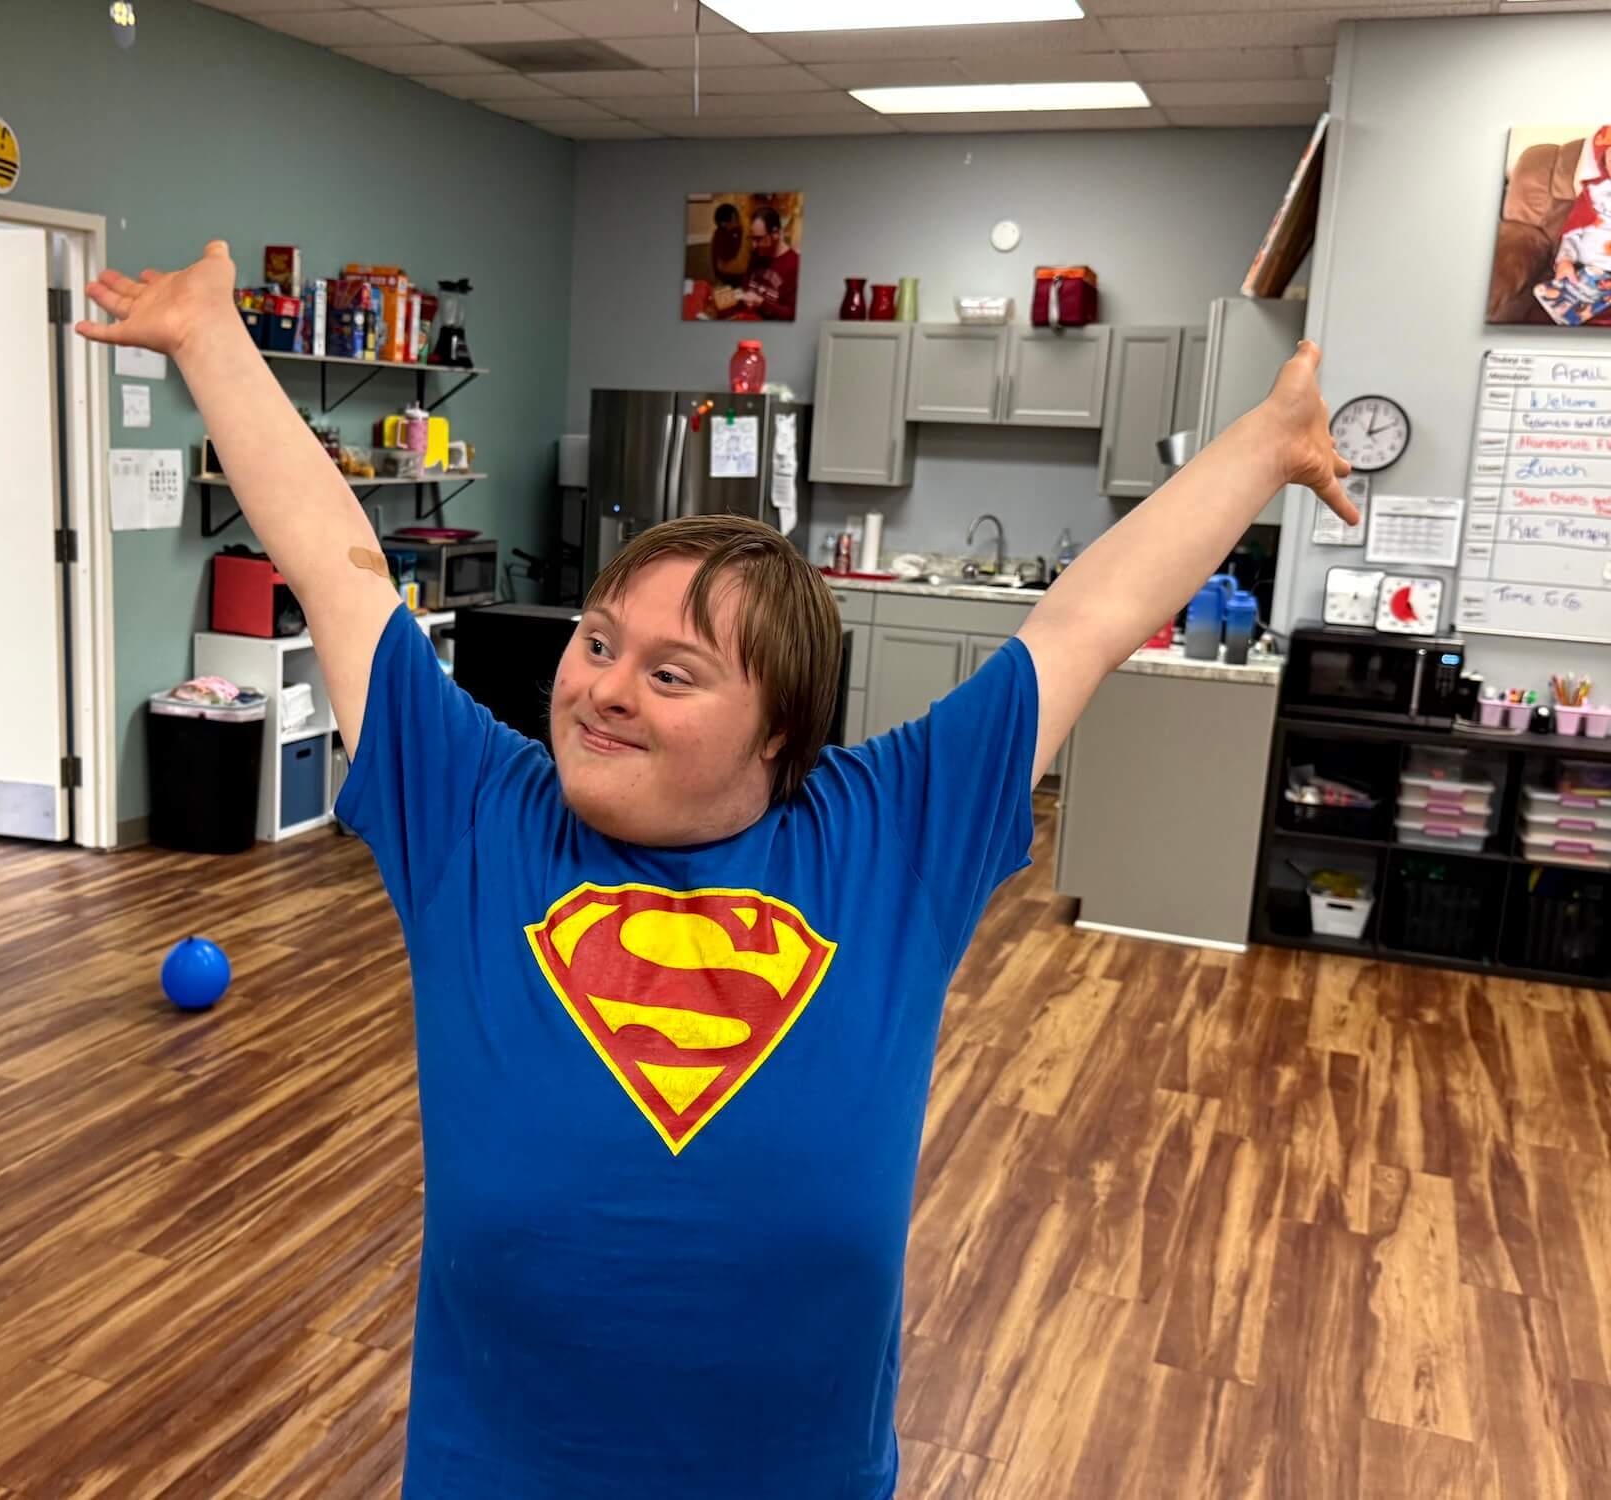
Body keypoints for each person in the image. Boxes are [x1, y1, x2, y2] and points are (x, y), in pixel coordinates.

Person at [78, 242, 1357, 1500]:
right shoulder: (473, 810)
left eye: (671, 672)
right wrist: (209, 339)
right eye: (595, 641)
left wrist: (1261, 443)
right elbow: (335, 566)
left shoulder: (888, 833)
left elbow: (1082, 616)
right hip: (499, 1473)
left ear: (780, 730)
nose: (599, 690)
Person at [1536, 124, 1611, 326]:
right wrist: (1565, 261)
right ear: (1603, 162)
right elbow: (1572, 233)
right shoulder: (1591, 195)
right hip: (1588, 272)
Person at [737, 203, 799, 321]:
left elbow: (790, 314)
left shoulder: (794, 263)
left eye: (759, 239)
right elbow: (745, 286)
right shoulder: (757, 253)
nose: (754, 245)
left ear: (775, 234)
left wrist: (760, 302)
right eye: (752, 238)